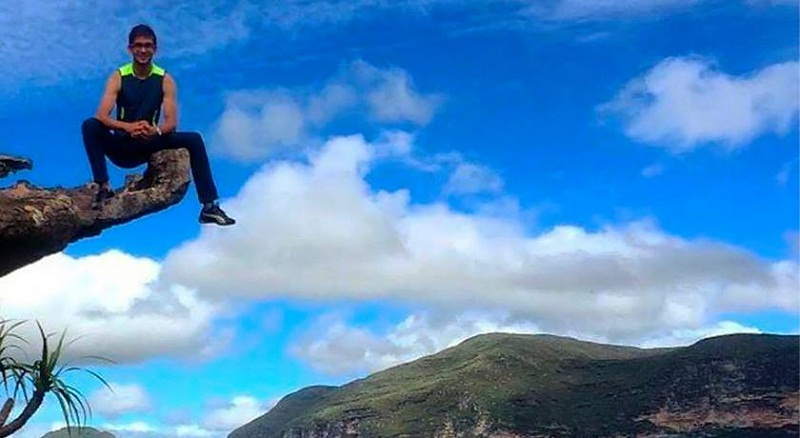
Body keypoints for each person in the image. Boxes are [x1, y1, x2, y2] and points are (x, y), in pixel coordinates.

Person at [82, 24, 235, 226]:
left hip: (149, 142)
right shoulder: (118, 76)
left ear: (155, 48)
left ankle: (209, 206)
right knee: (90, 125)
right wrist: (127, 127)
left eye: (148, 45)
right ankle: (103, 185)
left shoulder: (165, 79)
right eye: (138, 46)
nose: (143, 50)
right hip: (122, 144)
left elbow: (171, 122)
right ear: (130, 49)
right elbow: (102, 115)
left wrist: (155, 130)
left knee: (194, 139)